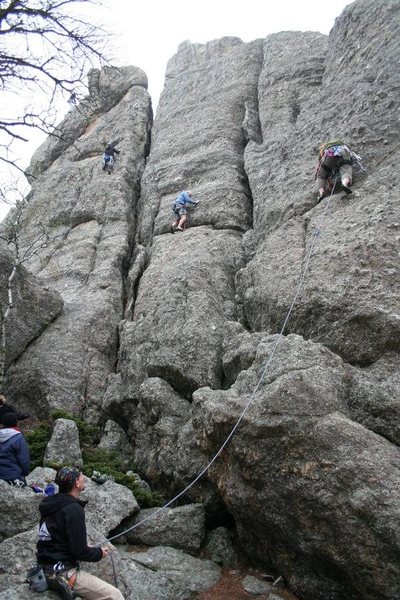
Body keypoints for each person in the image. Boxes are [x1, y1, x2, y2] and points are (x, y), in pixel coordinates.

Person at [36, 466, 124, 600]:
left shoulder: (51, 505)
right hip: (63, 571)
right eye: (81, 476)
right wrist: (99, 553)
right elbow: (79, 552)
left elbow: (58, 539)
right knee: (115, 595)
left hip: (45, 569)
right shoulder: (73, 509)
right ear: (77, 483)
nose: (84, 478)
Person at [0, 412, 30, 485]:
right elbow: (24, 461)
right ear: (16, 423)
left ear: (3, 424)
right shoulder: (18, 437)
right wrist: (24, 474)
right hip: (13, 477)